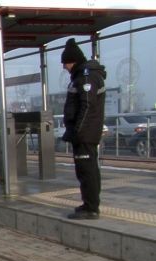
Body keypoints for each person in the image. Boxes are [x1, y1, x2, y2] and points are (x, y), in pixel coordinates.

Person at [60, 38, 106, 220]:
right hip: (83, 133)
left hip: (85, 134)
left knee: (87, 170)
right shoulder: (82, 76)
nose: (64, 67)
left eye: (65, 63)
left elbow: (86, 105)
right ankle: (89, 203)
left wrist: (78, 130)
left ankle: (92, 208)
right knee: (85, 170)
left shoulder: (87, 77)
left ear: (73, 60)